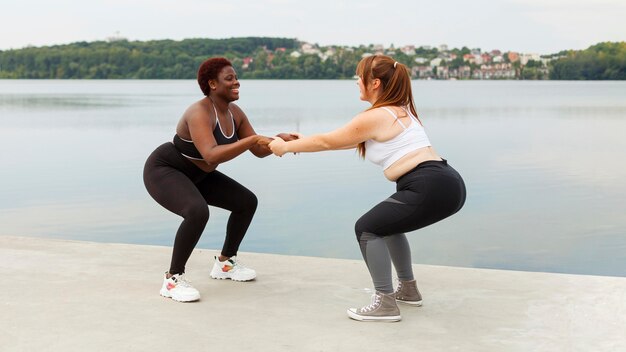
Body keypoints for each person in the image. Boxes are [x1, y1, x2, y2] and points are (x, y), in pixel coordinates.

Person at [268, 55, 466, 322]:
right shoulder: (399, 110)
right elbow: (344, 140)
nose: (356, 82)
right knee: (387, 226)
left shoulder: (377, 115)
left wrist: (285, 147)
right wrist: (304, 140)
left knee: (366, 228)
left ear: (374, 83)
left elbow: (328, 142)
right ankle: (408, 290)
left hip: (428, 185)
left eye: (358, 77)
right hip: (447, 183)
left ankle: (385, 303)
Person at [143, 57, 298, 302]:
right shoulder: (199, 112)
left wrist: (279, 140)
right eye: (230, 79)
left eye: (236, 78)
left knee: (246, 202)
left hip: (199, 174)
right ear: (212, 84)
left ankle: (225, 263)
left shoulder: (235, 113)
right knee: (196, 211)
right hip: (166, 169)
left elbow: (257, 150)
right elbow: (211, 154)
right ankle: (172, 279)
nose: (237, 82)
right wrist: (253, 140)